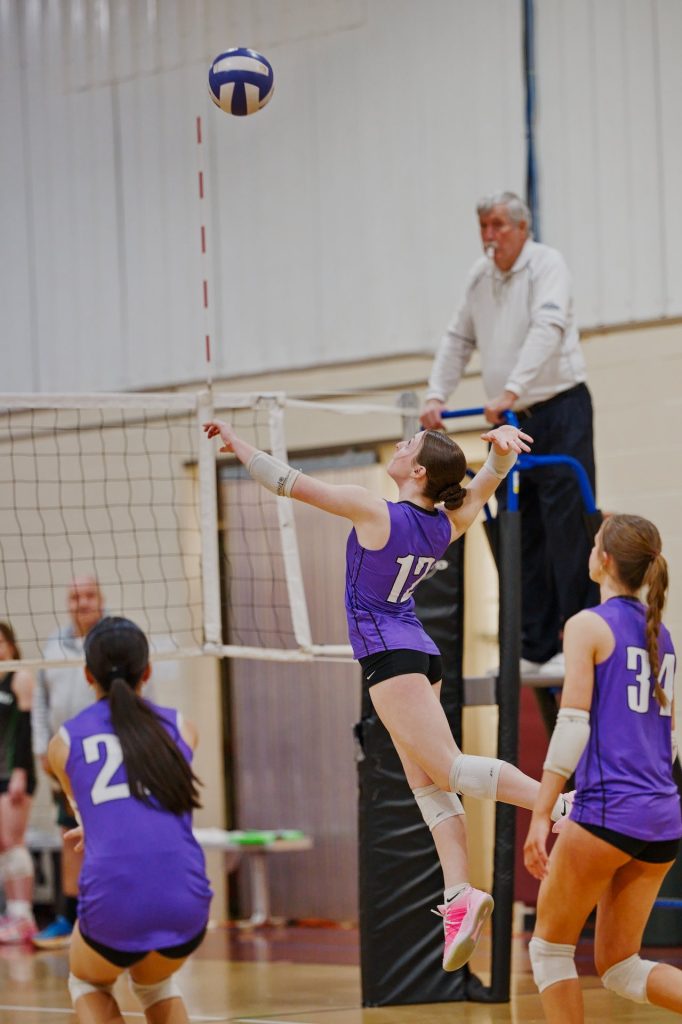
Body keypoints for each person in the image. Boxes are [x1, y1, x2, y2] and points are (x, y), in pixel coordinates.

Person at [204, 417, 571, 971]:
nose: (400, 445)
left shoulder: (374, 509)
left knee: (446, 769)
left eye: (409, 444)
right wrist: (500, 455)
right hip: (417, 652)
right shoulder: (444, 524)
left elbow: (285, 481)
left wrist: (236, 442)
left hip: (390, 656)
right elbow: (485, 485)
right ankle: (458, 895)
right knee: (427, 785)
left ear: (418, 472)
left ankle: (561, 804)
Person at [420, 191, 598, 678]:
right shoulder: (479, 277)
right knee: (519, 528)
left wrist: (513, 389)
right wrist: (436, 395)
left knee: (566, 524)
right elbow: (458, 338)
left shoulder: (547, 264)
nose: (489, 235)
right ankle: (534, 645)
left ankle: (577, 636)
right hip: (511, 418)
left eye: (498, 225)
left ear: (522, 227)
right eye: (483, 225)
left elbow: (548, 327)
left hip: (559, 408)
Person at [523, 514, 682, 1022]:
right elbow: (667, 743)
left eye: (595, 544)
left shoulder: (588, 624)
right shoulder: (663, 635)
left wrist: (541, 814)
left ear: (605, 560)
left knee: (549, 951)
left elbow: (572, 726)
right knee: (620, 967)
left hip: (611, 812)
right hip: (663, 818)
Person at [47, 615, 212, 1024]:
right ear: (148, 671)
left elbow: (86, 811)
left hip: (115, 901)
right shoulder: (183, 728)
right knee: (156, 984)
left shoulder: (63, 743)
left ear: (88, 675)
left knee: (87, 981)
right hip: (188, 902)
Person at [31, 574, 106, 948]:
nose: (83, 602)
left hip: (105, 753)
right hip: (65, 758)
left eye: (89, 595)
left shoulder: (114, 639)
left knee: (109, 834)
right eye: (76, 596)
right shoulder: (53, 645)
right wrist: (41, 747)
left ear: (101, 599)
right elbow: (41, 701)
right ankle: (68, 917)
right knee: (69, 834)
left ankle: (107, 915)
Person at [0, 622, 37, 944]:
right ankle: (13, 914)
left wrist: (21, 771)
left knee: (14, 843)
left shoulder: (20, 677)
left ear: (11, 645)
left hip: (15, 773)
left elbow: (25, 725)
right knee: (3, 844)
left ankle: (24, 917)